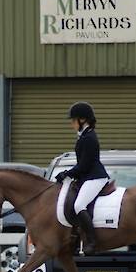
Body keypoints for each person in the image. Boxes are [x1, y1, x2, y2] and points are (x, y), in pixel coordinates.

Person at [55, 101, 109, 255]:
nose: (72, 124)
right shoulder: (84, 136)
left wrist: (67, 173)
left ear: (83, 119)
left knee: (79, 205)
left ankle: (92, 241)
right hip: (88, 176)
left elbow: (84, 165)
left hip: (95, 177)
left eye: (74, 120)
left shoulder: (89, 138)